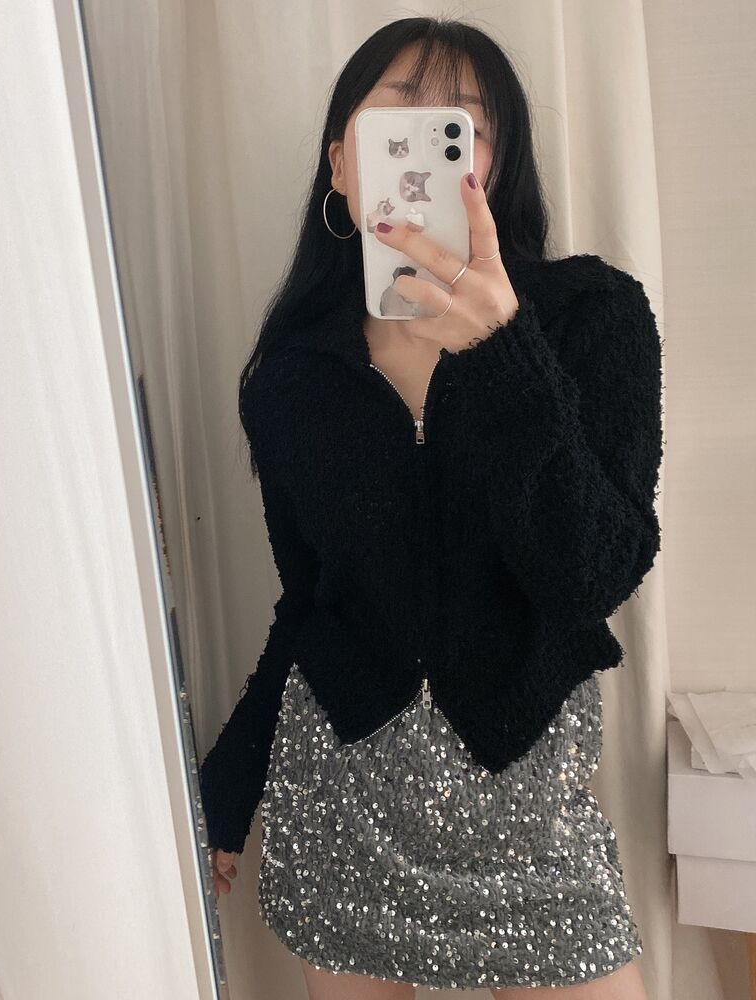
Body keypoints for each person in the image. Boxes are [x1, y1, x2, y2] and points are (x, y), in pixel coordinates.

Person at [198, 16, 662, 1000]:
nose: (429, 143)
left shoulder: (592, 316)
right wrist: (231, 782)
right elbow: (306, 604)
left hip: (527, 802)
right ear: (340, 161)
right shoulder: (291, 376)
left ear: (494, 166)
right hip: (341, 797)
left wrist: (502, 351)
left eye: (465, 126)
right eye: (399, 115)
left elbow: (593, 574)